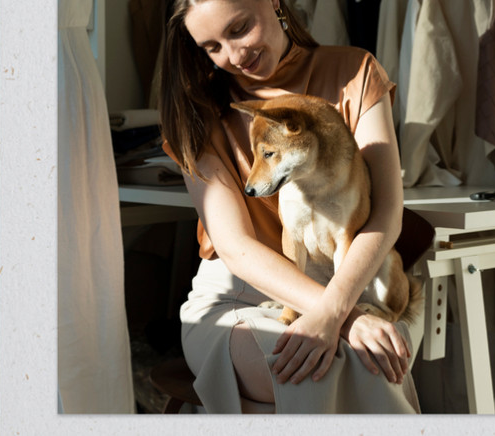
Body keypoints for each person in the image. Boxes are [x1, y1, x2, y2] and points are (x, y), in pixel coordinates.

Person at [159, 0, 420, 413]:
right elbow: (236, 248)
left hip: (352, 281)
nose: (234, 56)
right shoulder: (196, 109)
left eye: (239, 28)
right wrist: (345, 317)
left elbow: (387, 213)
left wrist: (338, 308)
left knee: (360, 361)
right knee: (314, 371)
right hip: (239, 292)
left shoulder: (356, 72)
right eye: (212, 47)